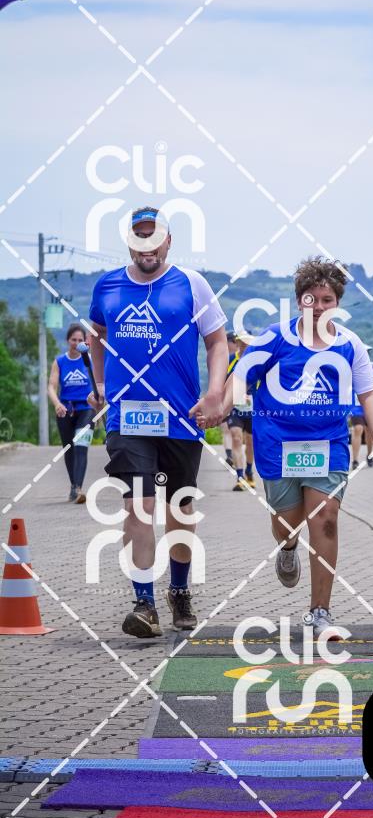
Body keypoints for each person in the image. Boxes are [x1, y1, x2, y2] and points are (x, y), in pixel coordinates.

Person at [217, 257, 373, 637]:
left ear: (338, 303)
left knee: (326, 518)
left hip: (328, 445)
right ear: (299, 300)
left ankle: (320, 612)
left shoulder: (349, 345)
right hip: (277, 445)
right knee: (286, 525)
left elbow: (368, 392)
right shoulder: (274, 338)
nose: (318, 307)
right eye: (311, 299)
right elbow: (240, 378)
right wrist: (219, 408)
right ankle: (287, 548)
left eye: (327, 299)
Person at [87, 207, 228, 639]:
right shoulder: (107, 285)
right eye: (139, 238)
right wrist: (100, 385)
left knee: (179, 509)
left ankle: (179, 591)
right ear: (129, 242)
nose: (146, 247)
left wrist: (215, 391)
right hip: (128, 418)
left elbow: (217, 341)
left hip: (181, 417)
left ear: (168, 241)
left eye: (154, 238)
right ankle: (144, 603)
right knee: (138, 505)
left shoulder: (191, 283)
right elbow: (96, 334)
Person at [47, 323, 95, 503]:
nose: (76, 343)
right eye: (73, 339)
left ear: (85, 342)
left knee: (81, 446)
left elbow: (100, 384)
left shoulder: (90, 360)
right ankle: (74, 487)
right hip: (66, 409)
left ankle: (78, 488)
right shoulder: (59, 361)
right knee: (69, 449)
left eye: (80, 340)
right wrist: (57, 404)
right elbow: (51, 386)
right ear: (68, 340)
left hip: (87, 409)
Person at [227, 333, 257, 491]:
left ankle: (249, 471)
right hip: (235, 408)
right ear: (237, 343)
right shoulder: (231, 360)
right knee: (237, 438)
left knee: (250, 442)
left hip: (254, 409)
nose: (244, 345)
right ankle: (240, 477)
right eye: (242, 342)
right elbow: (223, 381)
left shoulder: (258, 361)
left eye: (247, 343)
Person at [221, 331, 237, 468]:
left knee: (237, 432)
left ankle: (233, 456)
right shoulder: (226, 359)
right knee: (226, 428)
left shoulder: (242, 358)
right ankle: (229, 455)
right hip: (226, 396)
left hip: (242, 399)